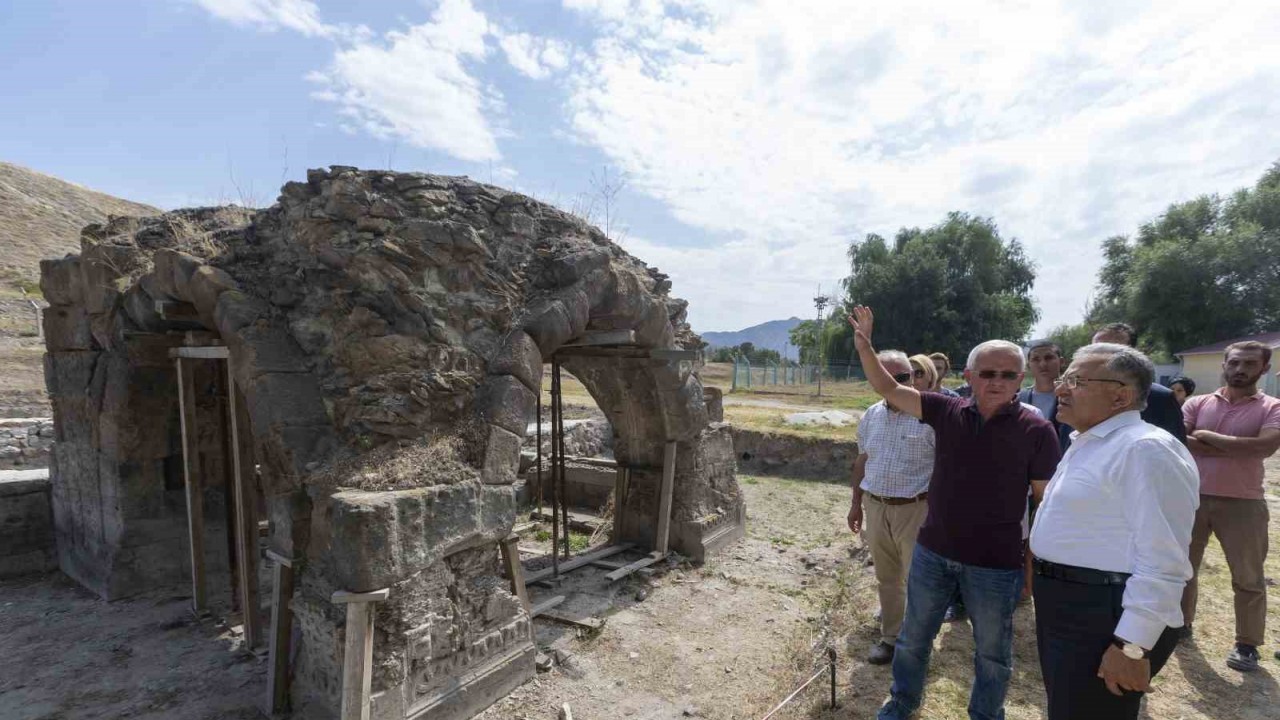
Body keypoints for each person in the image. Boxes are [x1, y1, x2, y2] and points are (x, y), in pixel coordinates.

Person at [847, 307, 1061, 720]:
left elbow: (1043, 505)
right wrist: (865, 345)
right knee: (913, 639)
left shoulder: (1037, 431)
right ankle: (902, 702)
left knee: (992, 653)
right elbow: (888, 388)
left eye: (1008, 374)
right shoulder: (945, 411)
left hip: (995, 563)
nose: (996, 382)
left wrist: (1031, 565)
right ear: (968, 375)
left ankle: (985, 713)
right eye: (987, 373)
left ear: (1021, 379)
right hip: (933, 551)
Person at [1030, 343, 1198, 720]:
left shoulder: (1145, 450)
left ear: (1120, 395)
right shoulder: (1091, 443)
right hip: (1070, 603)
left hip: (1105, 612)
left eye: (1074, 380)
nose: (1059, 389)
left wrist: (1132, 646)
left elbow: (1165, 558)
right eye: (1062, 379)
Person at [1180, 341, 1280, 671]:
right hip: (1191, 497)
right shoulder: (1198, 402)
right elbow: (1181, 439)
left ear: (1263, 369)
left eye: (1250, 364)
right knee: (1182, 569)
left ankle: (1247, 644)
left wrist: (1207, 436)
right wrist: (1239, 447)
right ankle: (1181, 625)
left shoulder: (1272, 408)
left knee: (1248, 577)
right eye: (1234, 363)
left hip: (1243, 503)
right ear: (1225, 364)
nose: (1241, 369)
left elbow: (1264, 447)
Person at [848, 350, 936, 665]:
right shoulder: (871, 414)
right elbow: (862, 461)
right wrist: (856, 503)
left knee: (919, 581)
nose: (895, 384)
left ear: (913, 378)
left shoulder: (931, 416)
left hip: (916, 510)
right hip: (876, 506)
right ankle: (891, 638)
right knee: (887, 578)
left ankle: (918, 646)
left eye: (902, 377)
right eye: (886, 378)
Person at [1091, 323, 1187, 444]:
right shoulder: (1076, 395)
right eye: (1095, 351)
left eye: (1112, 351)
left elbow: (1174, 449)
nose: (1102, 358)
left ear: (1133, 355)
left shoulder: (1160, 399)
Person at [1017, 340, 1073, 451]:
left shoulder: (1075, 397)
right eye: (1036, 359)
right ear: (1028, 365)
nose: (1043, 364)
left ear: (1061, 362)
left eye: (1049, 358)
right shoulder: (1018, 399)